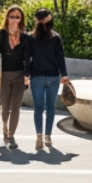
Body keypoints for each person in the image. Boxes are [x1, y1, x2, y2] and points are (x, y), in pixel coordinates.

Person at [22, 8, 71, 153]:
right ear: (50, 21)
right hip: (53, 77)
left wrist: (26, 75)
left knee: (38, 108)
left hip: (36, 76)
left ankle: (39, 134)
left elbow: (26, 58)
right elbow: (60, 58)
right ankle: (48, 136)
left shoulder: (31, 38)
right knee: (50, 108)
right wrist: (64, 75)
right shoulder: (55, 37)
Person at [0, 4, 29, 150]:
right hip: (4, 76)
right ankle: (5, 128)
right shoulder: (0, 34)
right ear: (7, 18)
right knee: (5, 107)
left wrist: (27, 76)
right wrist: (1, 42)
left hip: (19, 75)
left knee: (16, 108)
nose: (14, 20)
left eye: (17, 17)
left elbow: (28, 58)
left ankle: (11, 135)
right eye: (12, 16)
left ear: (21, 19)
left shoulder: (26, 37)